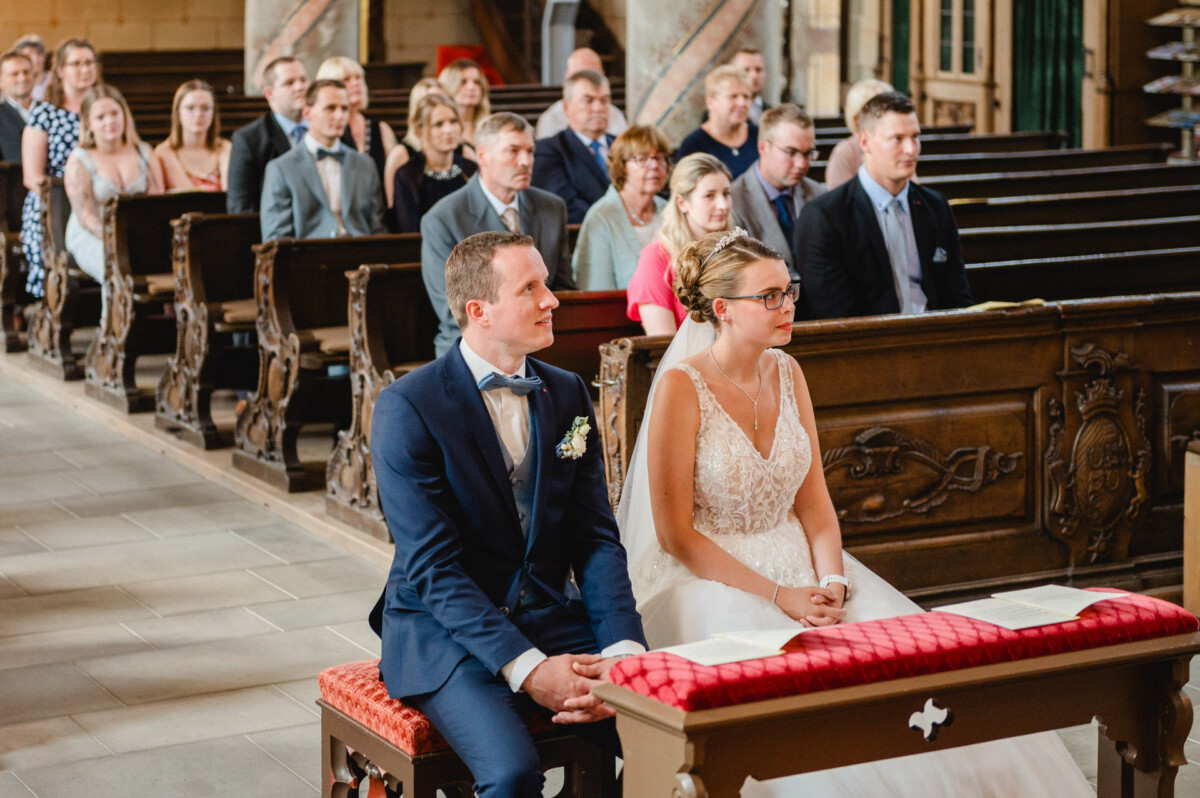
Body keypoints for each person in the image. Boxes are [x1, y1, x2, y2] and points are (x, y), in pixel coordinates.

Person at [617, 227, 1096, 798]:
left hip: (808, 568)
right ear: (721, 308)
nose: (788, 305)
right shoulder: (680, 387)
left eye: (788, 291)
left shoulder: (788, 374)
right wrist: (779, 596)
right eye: (769, 296)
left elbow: (816, 505)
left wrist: (834, 580)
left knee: (931, 685)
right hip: (712, 578)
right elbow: (676, 536)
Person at [369, 229, 647, 798]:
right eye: (531, 288)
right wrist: (528, 668)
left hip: (548, 612)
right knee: (512, 772)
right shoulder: (408, 407)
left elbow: (595, 539)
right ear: (480, 311)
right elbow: (434, 570)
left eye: (546, 284)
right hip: (442, 634)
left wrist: (621, 654)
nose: (552, 299)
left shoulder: (566, 393)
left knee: (672, 735)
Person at [796, 92, 972, 320]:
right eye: (897, 139)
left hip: (935, 337)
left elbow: (957, 294)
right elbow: (834, 312)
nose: (911, 149)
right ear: (865, 142)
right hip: (869, 345)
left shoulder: (935, 205)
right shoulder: (824, 216)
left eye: (915, 137)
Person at [421, 112, 573, 357]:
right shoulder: (443, 218)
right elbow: (454, 312)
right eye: (513, 151)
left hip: (542, 341)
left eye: (530, 151)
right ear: (483, 156)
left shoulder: (552, 207)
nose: (525, 161)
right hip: (474, 348)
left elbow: (565, 288)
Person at [63, 85, 164, 318]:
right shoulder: (80, 159)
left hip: (137, 233)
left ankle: (163, 329)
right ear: (88, 122)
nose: (110, 121)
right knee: (114, 264)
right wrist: (114, 237)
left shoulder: (144, 152)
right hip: (91, 234)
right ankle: (112, 333)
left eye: (114, 113)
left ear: (124, 115)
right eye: (100, 117)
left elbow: (158, 202)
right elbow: (85, 215)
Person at [21, 38, 100, 298]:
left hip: (99, 198)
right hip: (55, 205)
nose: (83, 69)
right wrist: (72, 198)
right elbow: (33, 177)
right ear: (60, 70)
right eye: (75, 63)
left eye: (88, 62)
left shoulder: (104, 109)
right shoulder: (45, 112)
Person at [260, 79, 385, 241]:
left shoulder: (365, 164)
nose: (340, 116)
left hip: (360, 256)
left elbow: (378, 227)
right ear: (307, 113)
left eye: (344, 108)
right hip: (309, 259)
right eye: (330, 108)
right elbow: (276, 237)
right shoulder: (281, 168)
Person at [625, 153, 730, 335]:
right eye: (709, 196)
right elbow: (662, 344)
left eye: (726, 194)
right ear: (682, 203)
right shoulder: (656, 257)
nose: (723, 205)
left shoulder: (736, 250)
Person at [730, 104, 824, 279]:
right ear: (763, 148)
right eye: (791, 152)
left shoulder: (818, 194)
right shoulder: (734, 201)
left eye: (808, 153)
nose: (802, 164)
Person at [572, 125, 669, 290]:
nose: (654, 166)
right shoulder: (601, 216)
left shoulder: (668, 210)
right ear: (622, 166)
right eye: (642, 158)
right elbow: (597, 293)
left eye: (659, 158)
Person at [226, 56, 311, 213]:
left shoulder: (329, 128)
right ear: (270, 93)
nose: (300, 87)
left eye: (304, 80)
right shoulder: (249, 139)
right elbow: (241, 207)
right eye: (289, 83)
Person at [531, 69, 614, 224]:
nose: (598, 108)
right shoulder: (548, 150)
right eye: (588, 100)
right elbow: (564, 207)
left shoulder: (623, 146)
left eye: (604, 100)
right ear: (566, 107)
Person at [391, 94, 477, 233]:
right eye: (439, 124)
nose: (448, 130)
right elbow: (408, 229)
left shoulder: (471, 169)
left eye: (453, 121)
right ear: (420, 131)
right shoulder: (408, 175)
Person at [315, 56, 398, 181]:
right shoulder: (322, 131)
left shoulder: (381, 129)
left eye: (358, 77)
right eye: (346, 79)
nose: (356, 83)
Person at [676, 65, 758, 179]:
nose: (741, 103)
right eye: (733, 96)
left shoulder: (758, 135)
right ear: (710, 102)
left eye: (746, 97)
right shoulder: (694, 146)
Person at [534, 47, 629, 140]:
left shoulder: (615, 115)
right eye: (580, 76)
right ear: (568, 78)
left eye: (595, 75)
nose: (597, 108)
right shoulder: (551, 119)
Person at [154, 80, 231, 191]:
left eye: (205, 108)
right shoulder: (164, 152)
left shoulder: (225, 148)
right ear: (178, 113)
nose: (198, 114)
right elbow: (189, 197)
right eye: (190, 108)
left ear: (213, 114)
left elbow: (230, 193)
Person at [824, 78, 893, 190]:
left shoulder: (898, 147)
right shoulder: (844, 152)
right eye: (878, 113)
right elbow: (839, 200)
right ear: (857, 118)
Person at [438, 58, 489, 154]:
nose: (471, 87)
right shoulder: (440, 129)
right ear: (448, 87)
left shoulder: (490, 126)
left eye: (477, 82)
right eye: (463, 82)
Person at [0, 50, 34, 161]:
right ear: (1, 81)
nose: (22, 78)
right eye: (14, 74)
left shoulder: (50, 111)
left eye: (26, 72)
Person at [730, 46, 769, 125]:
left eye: (758, 70)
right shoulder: (719, 114)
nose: (754, 76)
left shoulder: (771, 112)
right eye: (746, 70)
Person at [12, 35, 48, 102]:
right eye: (28, 55)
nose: (35, 59)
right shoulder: (12, 82)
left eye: (39, 54)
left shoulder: (54, 80)